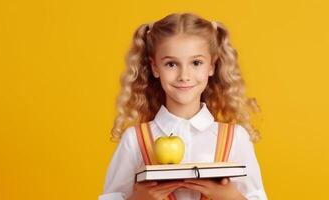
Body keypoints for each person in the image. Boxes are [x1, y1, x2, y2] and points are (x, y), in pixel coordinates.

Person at [98, 12, 268, 200]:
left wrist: (231, 197)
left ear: (212, 66)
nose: (184, 75)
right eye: (171, 64)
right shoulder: (135, 140)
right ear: (155, 67)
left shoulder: (235, 138)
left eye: (196, 63)